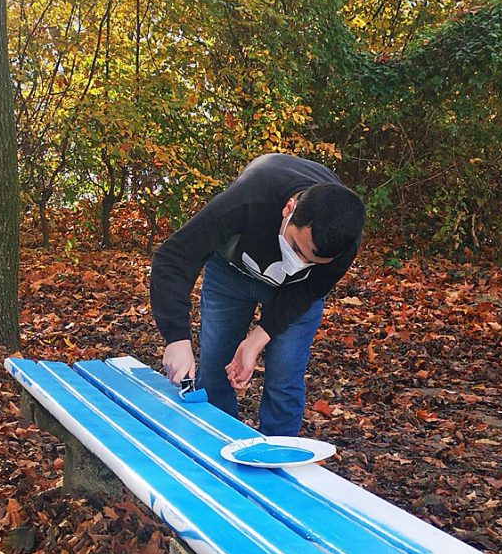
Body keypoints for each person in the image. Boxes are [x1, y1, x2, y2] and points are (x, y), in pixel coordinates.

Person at [150, 153, 365, 436]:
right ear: (289, 210)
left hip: (293, 294)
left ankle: (278, 455)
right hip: (231, 274)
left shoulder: (344, 241)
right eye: (296, 248)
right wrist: (176, 338)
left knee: (285, 378)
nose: (297, 264)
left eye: (310, 262)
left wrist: (254, 342)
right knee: (214, 369)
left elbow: (307, 291)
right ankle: (216, 443)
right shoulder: (250, 197)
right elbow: (173, 258)